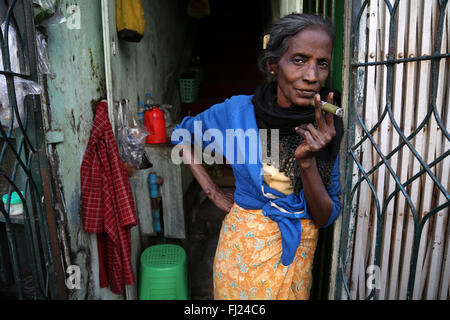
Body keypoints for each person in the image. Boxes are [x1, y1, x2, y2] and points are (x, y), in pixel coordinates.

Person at [171, 13, 344, 300]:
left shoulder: (325, 124)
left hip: (295, 260)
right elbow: (181, 134)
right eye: (299, 60)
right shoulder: (239, 112)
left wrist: (307, 163)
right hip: (240, 258)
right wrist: (211, 190)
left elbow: (325, 216)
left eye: (321, 64)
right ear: (273, 65)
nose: (312, 76)